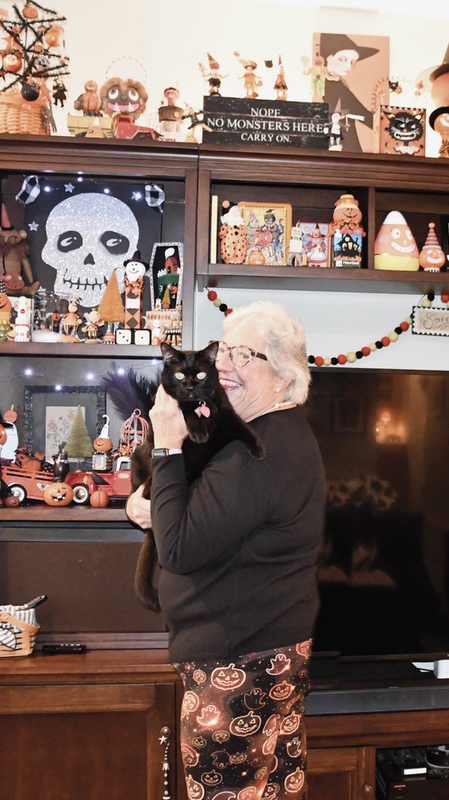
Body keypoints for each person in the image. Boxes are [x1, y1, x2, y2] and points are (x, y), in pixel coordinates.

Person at [126, 300, 325, 800]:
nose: (224, 366)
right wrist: (154, 498)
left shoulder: (262, 452)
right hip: (265, 650)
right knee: (273, 789)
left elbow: (179, 548)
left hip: (237, 666)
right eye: (225, 352)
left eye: (244, 355)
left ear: (282, 376)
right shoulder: (271, 437)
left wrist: (167, 447)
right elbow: (200, 514)